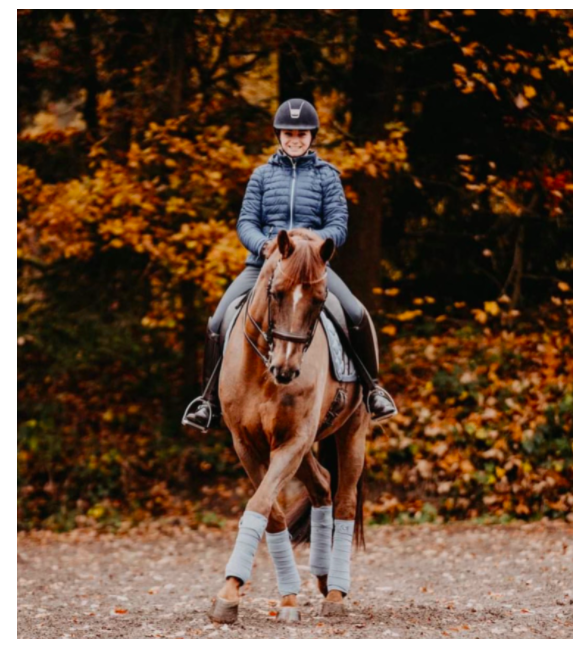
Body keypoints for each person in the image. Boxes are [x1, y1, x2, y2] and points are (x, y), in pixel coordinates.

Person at [183, 98, 397, 432]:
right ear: (278, 135)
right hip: (263, 266)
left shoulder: (328, 177)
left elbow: (338, 226)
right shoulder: (261, 176)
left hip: (311, 269)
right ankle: (208, 403)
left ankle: (373, 391)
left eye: (301, 133)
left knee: (354, 313)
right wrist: (265, 245)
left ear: (312, 136)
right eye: (288, 133)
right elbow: (246, 223)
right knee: (218, 320)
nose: (294, 139)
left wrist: (309, 244)